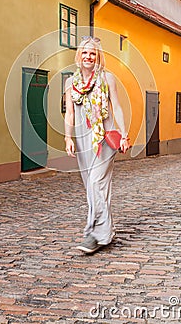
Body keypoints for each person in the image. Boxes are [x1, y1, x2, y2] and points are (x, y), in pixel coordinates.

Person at [64, 36, 130, 254]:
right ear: (79, 55)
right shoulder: (70, 83)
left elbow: (117, 108)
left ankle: (93, 234)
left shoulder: (107, 78)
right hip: (83, 140)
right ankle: (106, 232)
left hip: (104, 137)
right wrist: (68, 137)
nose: (88, 56)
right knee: (95, 188)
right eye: (85, 52)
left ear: (98, 56)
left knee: (95, 183)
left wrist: (124, 134)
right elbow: (70, 113)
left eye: (92, 53)